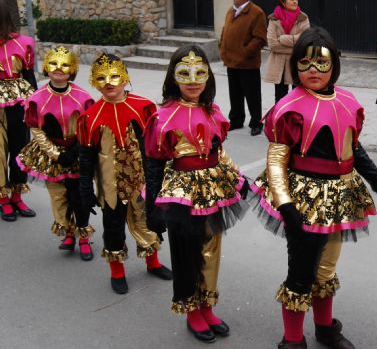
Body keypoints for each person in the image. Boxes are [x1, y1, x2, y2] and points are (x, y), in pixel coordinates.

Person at [251, 27, 377, 349]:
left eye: (321, 63)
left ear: (334, 65)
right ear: (296, 65)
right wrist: (286, 205)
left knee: (326, 269)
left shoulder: (347, 100)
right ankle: (293, 339)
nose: (313, 71)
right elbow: (275, 162)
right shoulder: (289, 108)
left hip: (338, 196)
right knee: (301, 271)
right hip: (303, 199)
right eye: (305, 64)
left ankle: (326, 329)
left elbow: (353, 148)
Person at [143, 45, 250, 343]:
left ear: (208, 77)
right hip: (180, 193)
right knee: (185, 251)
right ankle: (191, 309)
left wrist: (239, 179)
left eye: (200, 73)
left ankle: (207, 305)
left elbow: (218, 152)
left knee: (211, 249)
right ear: (173, 77)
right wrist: (153, 207)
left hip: (213, 190)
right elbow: (153, 165)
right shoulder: (162, 116)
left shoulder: (213, 111)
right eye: (185, 74)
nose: (193, 81)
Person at [77, 53, 172, 294]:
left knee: (148, 221)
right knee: (113, 227)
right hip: (111, 184)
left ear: (125, 77)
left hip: (142, 180)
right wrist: (86, 188)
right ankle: (117, 271)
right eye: (102, 78)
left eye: (114, 76)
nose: (108, 82)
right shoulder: (91, 116)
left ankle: (153, 262)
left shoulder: (144, 106)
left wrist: (160, 179)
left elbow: (156, 145)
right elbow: (86, 156)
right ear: (94, 81)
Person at [17, 46, 95, 259]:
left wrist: (77, 150)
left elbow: (88, 127)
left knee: (80, 195)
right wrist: (56, 154)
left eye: (65, 64)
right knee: (58, 195)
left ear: (73, 69)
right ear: (45, 66)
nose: (59, 69)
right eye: (54, 63)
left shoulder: (83, 97)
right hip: (51, 155)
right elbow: (36, 129)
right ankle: (68, 231)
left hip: (77, 151)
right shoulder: (37, 98)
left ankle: (84, 235)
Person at [0, 0, 37, 222]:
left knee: (20, 149)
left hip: (18, 103)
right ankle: (3, 198)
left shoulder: (24, 43)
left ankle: (16, 194)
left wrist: (37, 106)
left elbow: (30, 76)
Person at [219, 0, 267, 136]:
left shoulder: (256, 12)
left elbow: (259, 39)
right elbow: (224, 30)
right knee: (235, 94)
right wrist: (222, 46)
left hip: (247, 63)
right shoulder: (230, 11)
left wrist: (245, 52)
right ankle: (237, 120)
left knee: (252, 95)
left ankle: (256, 123)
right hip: (231, 61)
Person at [265, 0, 310, 103]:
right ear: (283, 2)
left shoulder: (303, 18)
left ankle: (297, 121)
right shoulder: (273, 19)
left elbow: (305, 42)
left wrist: (283, 39)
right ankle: (280, 120)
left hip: (297, 63)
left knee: (298, 97)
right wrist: (295, 44)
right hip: (279, 64)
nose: (295, 1)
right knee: (280, 98)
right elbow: (272, 44)